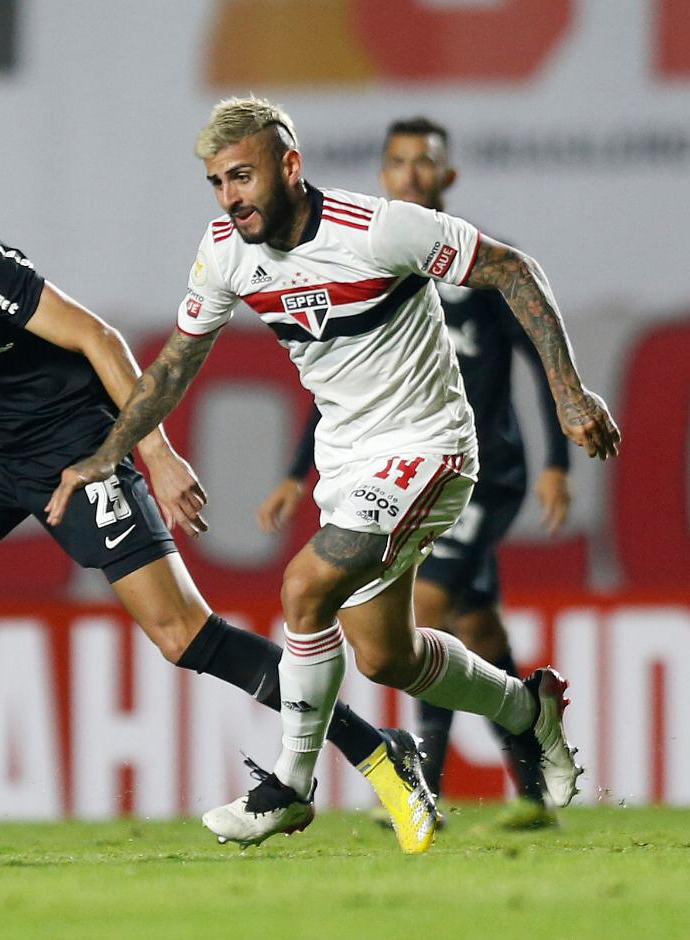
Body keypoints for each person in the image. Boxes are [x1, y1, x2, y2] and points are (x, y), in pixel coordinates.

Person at [0, 149, 443, 862]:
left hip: (77, 442)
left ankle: (379, 750)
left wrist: (156, 456)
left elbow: (95, 336)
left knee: (182, 635)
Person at [47, 96, 620, 847]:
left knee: (303, 587)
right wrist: (108, 453)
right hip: (347, 462)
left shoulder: (380, 229)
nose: (232, 197)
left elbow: (515, 270)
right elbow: (176, 364)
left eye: (244, 176)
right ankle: (527, 709)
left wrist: (571, 394)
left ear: (290, 165)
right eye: (218, 182)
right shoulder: (225, 251)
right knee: (387, 655)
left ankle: (289, 784)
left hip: (430, 445)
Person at [256, 118, 572, 830]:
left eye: (423, 164)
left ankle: (422, 775)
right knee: (477, 626)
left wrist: (556, 460)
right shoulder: (380, 258)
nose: (409, 175)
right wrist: (296, 472)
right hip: (401, 465)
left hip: (480, 472)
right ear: (385, 172)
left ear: (446, 177)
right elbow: (347, 382)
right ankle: (533, 785)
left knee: (423, 610)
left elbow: (533, 355)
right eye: (397, 163)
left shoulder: (473, 263)